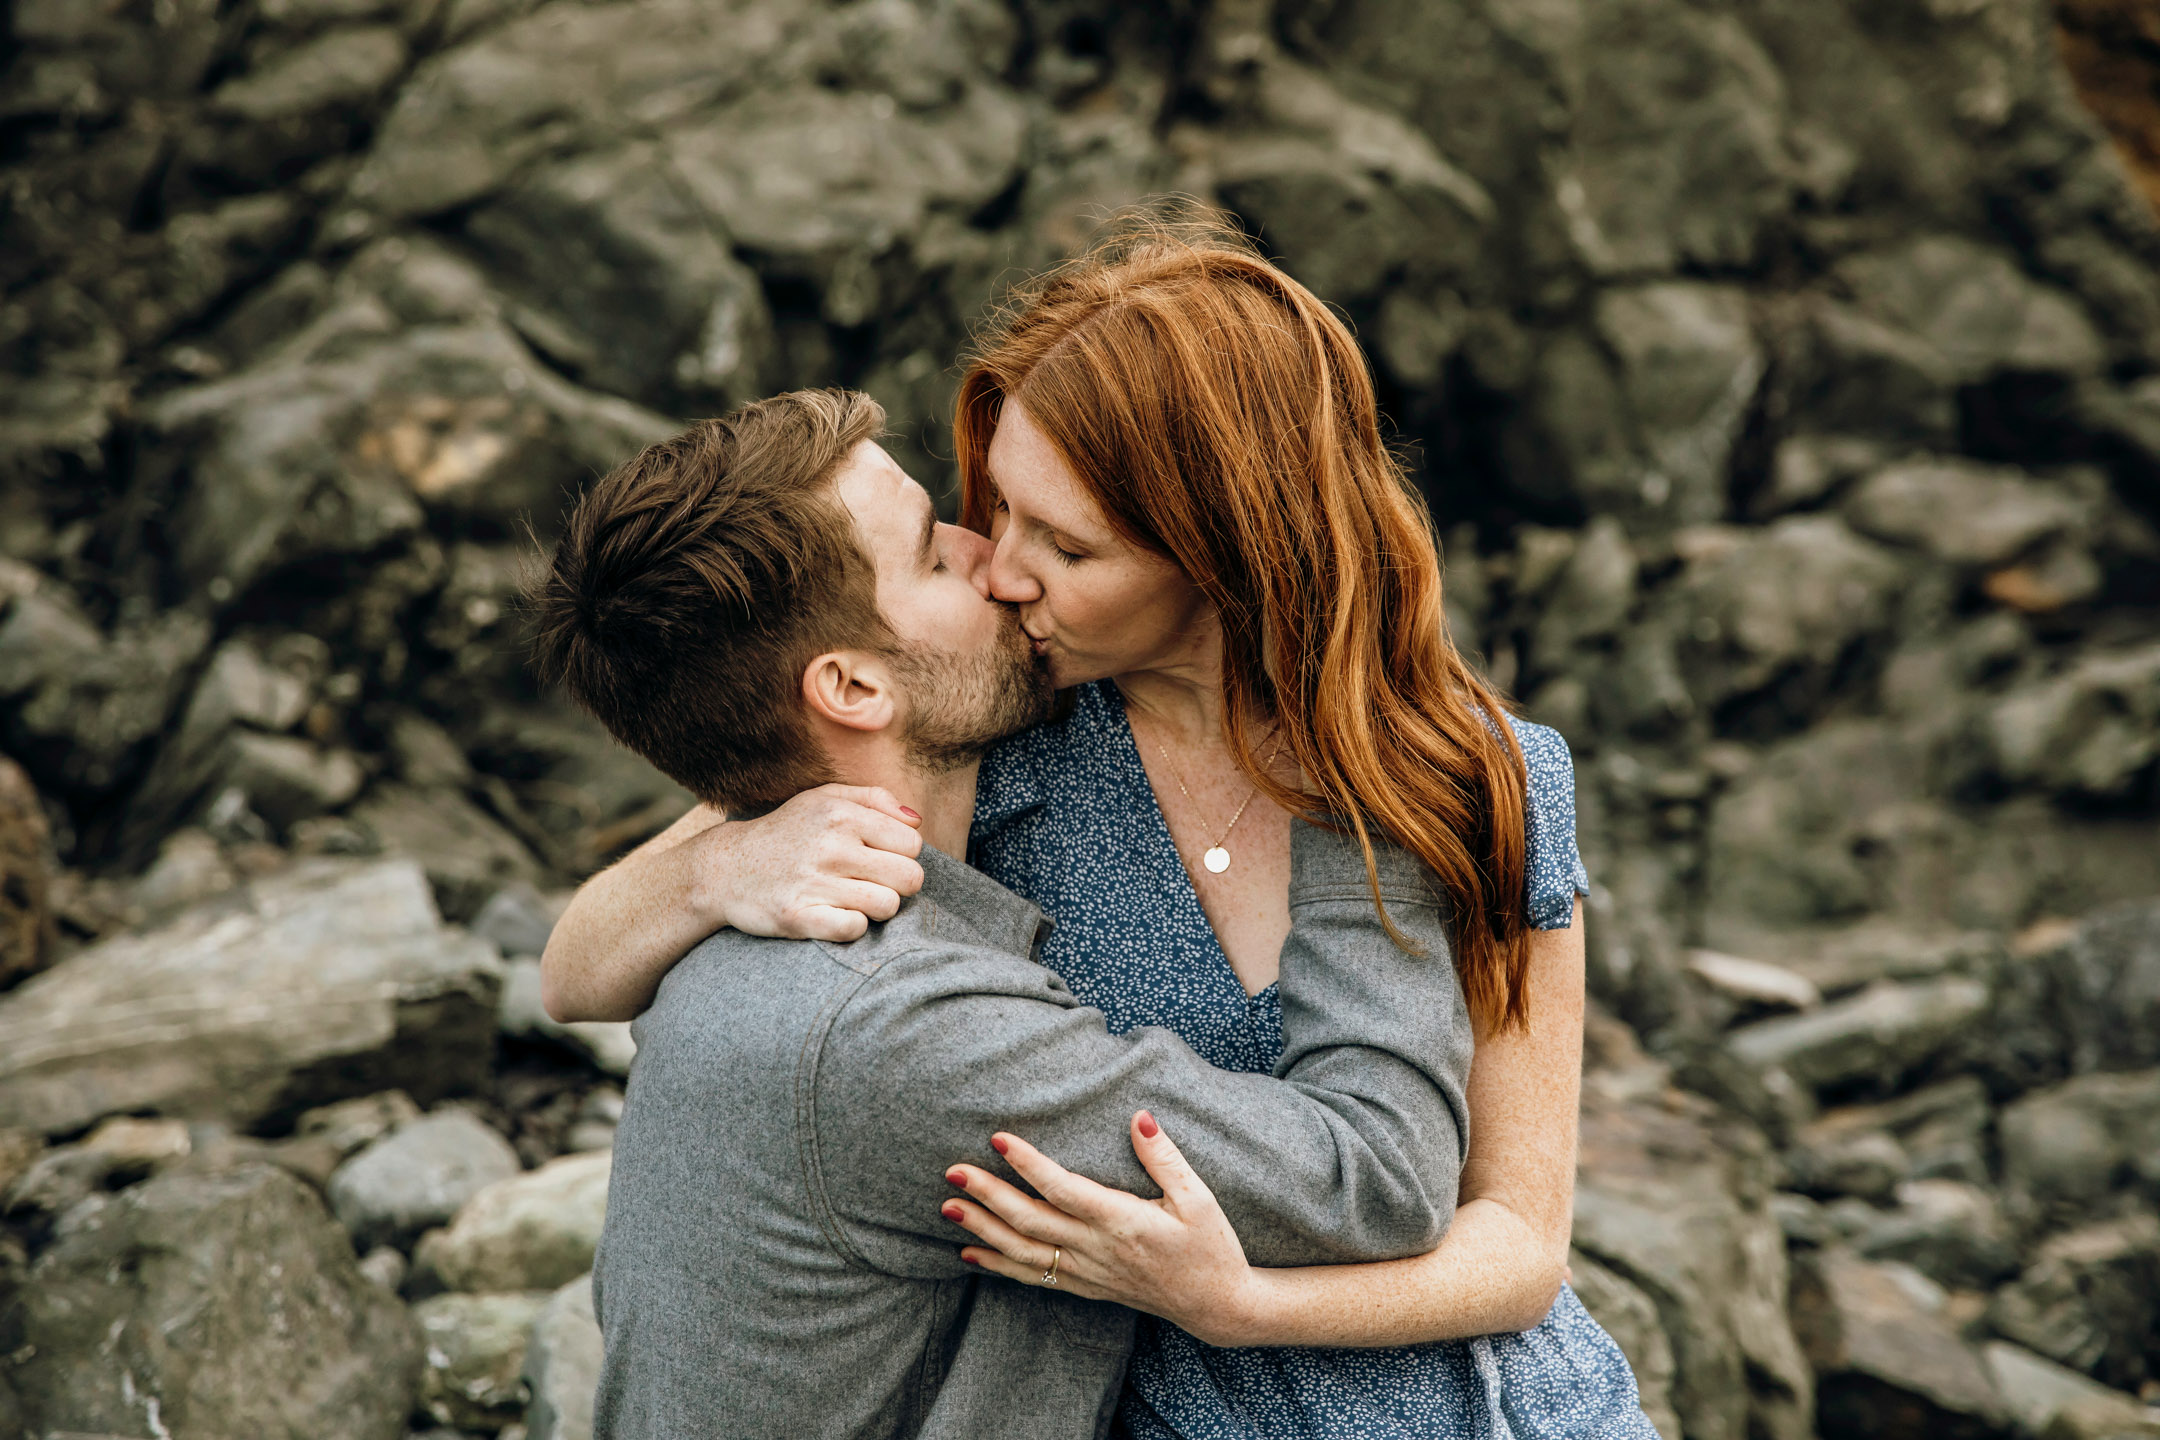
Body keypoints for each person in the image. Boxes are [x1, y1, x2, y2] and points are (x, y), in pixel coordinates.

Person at [541, 215, 1658, 1438]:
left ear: (1224, 553)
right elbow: (578, 967)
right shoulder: (993, 739)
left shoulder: (1474, 772)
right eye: (994, 507)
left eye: (1064, 545)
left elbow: (1520, 1241)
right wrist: (719, 860)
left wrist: (1242, 1305)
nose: (1002, 568)